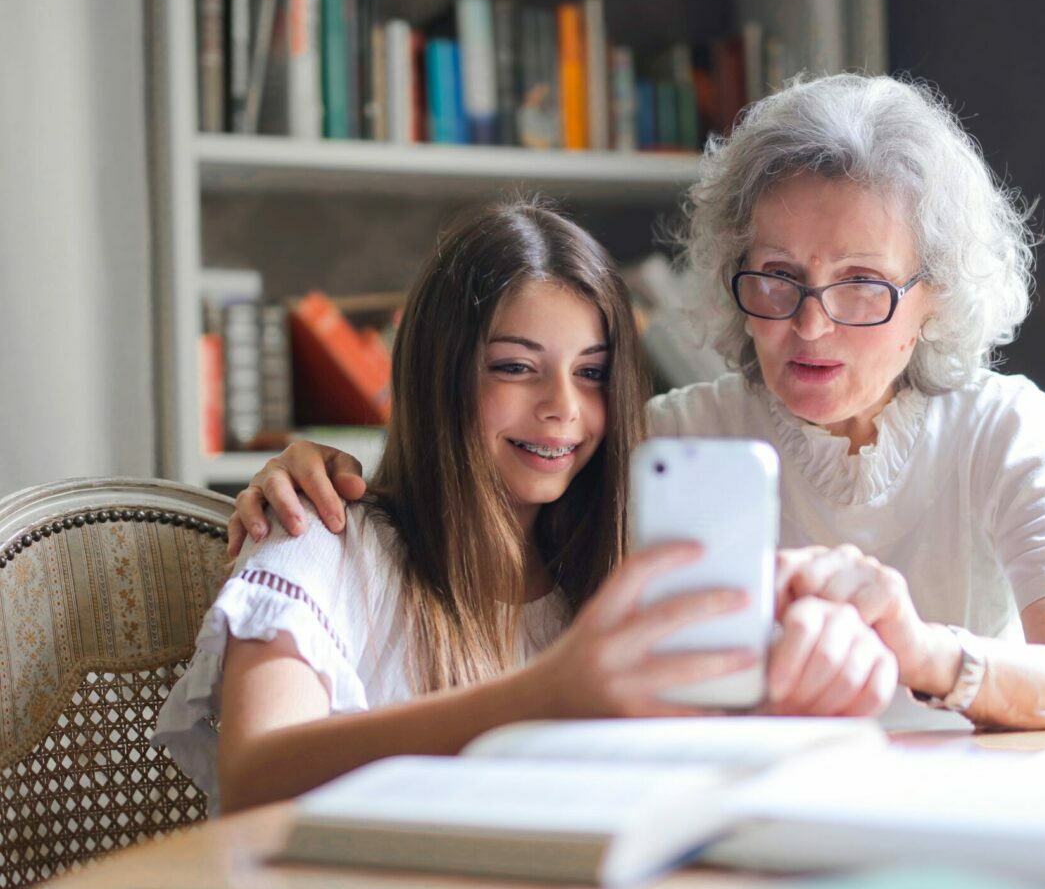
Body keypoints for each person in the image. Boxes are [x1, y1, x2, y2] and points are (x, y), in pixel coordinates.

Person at [237, 75, 1045, 733]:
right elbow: (486, 472)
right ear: (730, 271)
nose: (809, 324)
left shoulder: (1008, 430)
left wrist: (926, 653)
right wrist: (309, 469)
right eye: (778, 277)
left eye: (861, 284)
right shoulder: (669, 439)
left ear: (934, 295)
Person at [155, 199, 895, 814]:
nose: (563, 411)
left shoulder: (614, 575)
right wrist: (545, 696)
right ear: (439, 375)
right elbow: (254, 777)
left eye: (593, 374)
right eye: (516, 368)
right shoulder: (321, 539)